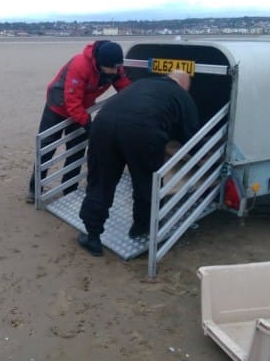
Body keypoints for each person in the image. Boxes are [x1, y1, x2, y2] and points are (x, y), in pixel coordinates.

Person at [77, 70, 200, 256]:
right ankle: (141, 227)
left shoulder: (142, 83)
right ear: (184, 85)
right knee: (146, 182)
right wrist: (204, 157)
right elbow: (192, 135)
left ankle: (92, 236)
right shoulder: (181, 95)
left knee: (100, 181)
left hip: (103, 124)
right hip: (143, 131)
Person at [26, 40, 132, 204]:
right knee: (47, 147)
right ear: (99, 63)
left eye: (118, 67)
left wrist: (136, 99)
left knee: (76, 150)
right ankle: (35, 189)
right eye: (111, 68)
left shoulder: (115, 67)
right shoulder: (80, 65)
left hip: (84, 106)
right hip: (58, 105)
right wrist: (87, 125)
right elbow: (72, 102)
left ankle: (69, 190)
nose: (115, 71)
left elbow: (125, 87)